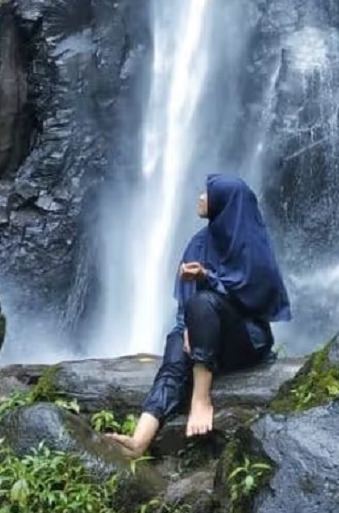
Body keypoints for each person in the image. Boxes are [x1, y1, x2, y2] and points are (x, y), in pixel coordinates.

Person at [108, 173, 291, 457]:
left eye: (207, 193)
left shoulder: (254, 245)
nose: (201, 198)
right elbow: (185, 307)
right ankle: (139, 439)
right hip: (198, 339)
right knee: (175, 350)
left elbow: (253, 299)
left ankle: (201, 398)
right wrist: (186, 331)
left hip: (241, 342)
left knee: (204, 303)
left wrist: (208, 277)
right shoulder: (198, 243)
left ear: (225, 202)